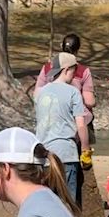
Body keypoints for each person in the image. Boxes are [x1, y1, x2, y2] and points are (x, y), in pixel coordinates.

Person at [36, 52, 89, 208]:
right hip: (67, 154)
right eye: (73, 71)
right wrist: (85, 148)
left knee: (48, 200)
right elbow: (81, 124)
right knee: (68, 203)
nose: (74, 75)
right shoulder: (73, 92)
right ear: (66, 70)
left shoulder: (40, 92)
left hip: (44, 155)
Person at [35, 34, 97, 148]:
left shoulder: (48, 68)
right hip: (77, 122)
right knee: (79, 156)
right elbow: (89, 101)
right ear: (78, 49)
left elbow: (37, 93)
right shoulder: (83, 71)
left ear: (61, 46)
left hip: (51, 119)